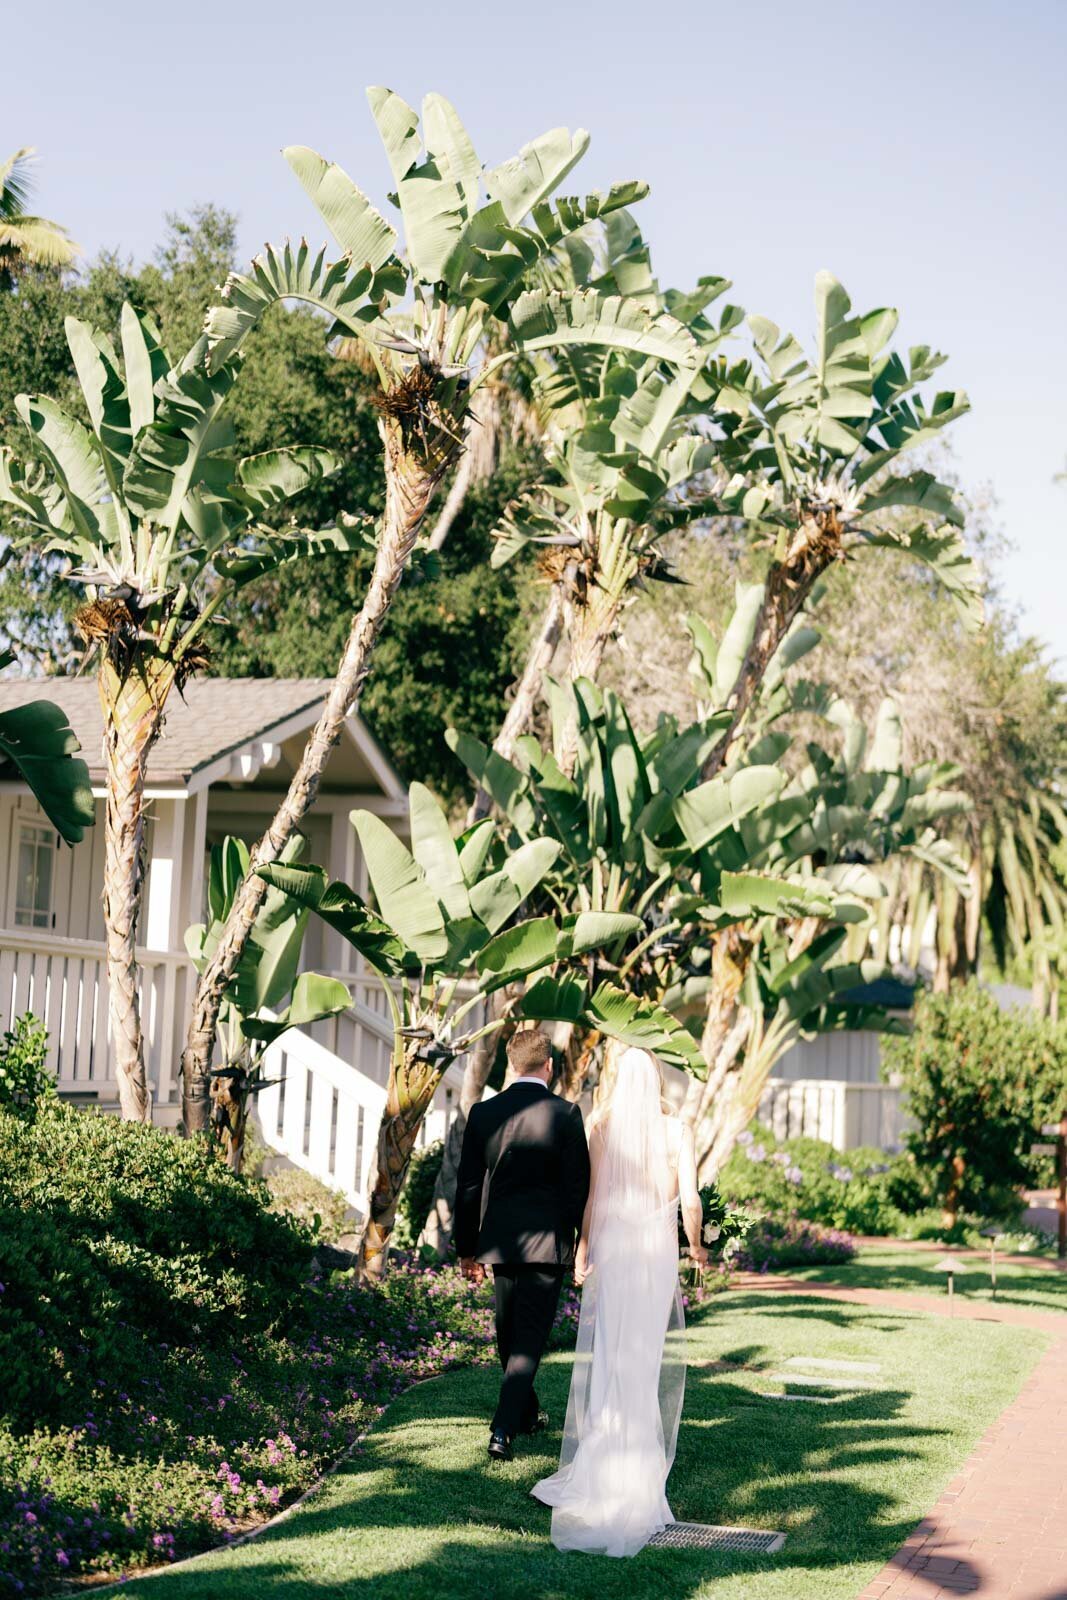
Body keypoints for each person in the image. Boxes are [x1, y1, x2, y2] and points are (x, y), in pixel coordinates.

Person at [532, 1045, 707, 1557]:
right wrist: (695, 1246)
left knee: (610, 1353)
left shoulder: (603, 1127)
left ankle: (603, 1462)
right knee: (642, 1358)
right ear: (655, 1079)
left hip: (614, 1248)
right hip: (653, 1252)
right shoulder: (678, 1132)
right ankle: (636, 1469)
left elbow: (592, 1198)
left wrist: (585, 1249)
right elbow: (691, 1199)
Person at [454, 1027, 591, 1463]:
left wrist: (466, 1248)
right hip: (547, 1246)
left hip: (501, 1244)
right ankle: (513, 1420)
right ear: (548, 1066)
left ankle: (509, 1423)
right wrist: (574, 1244)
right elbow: (577, 1190)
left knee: (511, 1336)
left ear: (511, 1065)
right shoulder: (567, 1113)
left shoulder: (483, 1112)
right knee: (523, 1340)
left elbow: (469, 1187)